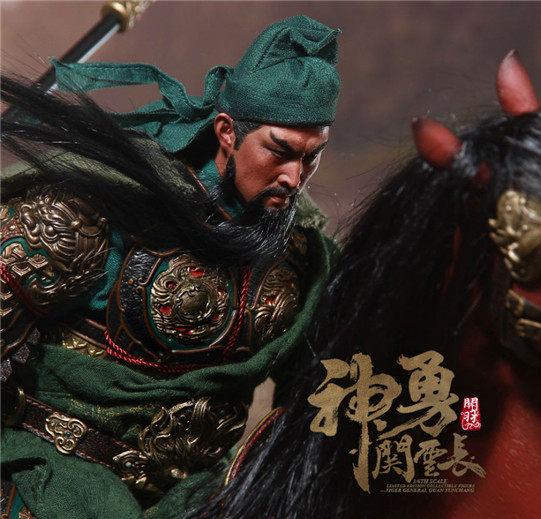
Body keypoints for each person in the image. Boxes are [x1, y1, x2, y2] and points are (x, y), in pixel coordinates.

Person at [0, 15, 340, 519]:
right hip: (53, 472)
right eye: (280, 151)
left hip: (197, 494)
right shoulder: (103, 209)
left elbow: (318, 392)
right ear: (228, 132)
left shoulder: (303, 256)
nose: (295, 177)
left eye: (312, 157)